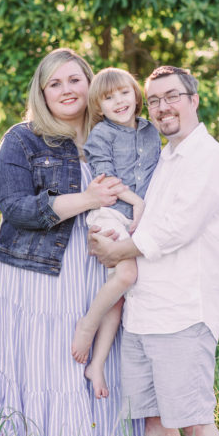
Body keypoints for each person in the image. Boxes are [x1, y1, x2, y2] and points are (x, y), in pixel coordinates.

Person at [0, 48, 144, 436]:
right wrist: (88, 199)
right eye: (55, 83)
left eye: (74, 79)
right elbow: (14, 206)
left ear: (91, 83)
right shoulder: (22, 138)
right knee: (51, 360)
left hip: (99, 267)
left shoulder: (114, 135)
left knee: (98, 361)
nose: (67, 89)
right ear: (43, 92)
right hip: (42, 273)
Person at [90, 66, 219, 436]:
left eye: (172, 96)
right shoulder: (164, 157)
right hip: (143, 313)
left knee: (194, 422)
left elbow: (175, 230)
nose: (162, 107)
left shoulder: (210, 158)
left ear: (194, 99)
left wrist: (116, 254)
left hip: (184, 313)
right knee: (154, 420)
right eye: (153, 100)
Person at [71, 67, 161, 400]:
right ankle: (86, 326)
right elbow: (105, 178)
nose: (118, 101)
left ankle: (97, 364)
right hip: (110, 212)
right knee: (125, 273)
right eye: (108, 98)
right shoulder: (101, 135)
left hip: (140, 222)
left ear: (137, 95)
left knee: (120, 300)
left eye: (124, 93)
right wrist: (137, 202)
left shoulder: (152, 132)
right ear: (99, 107)